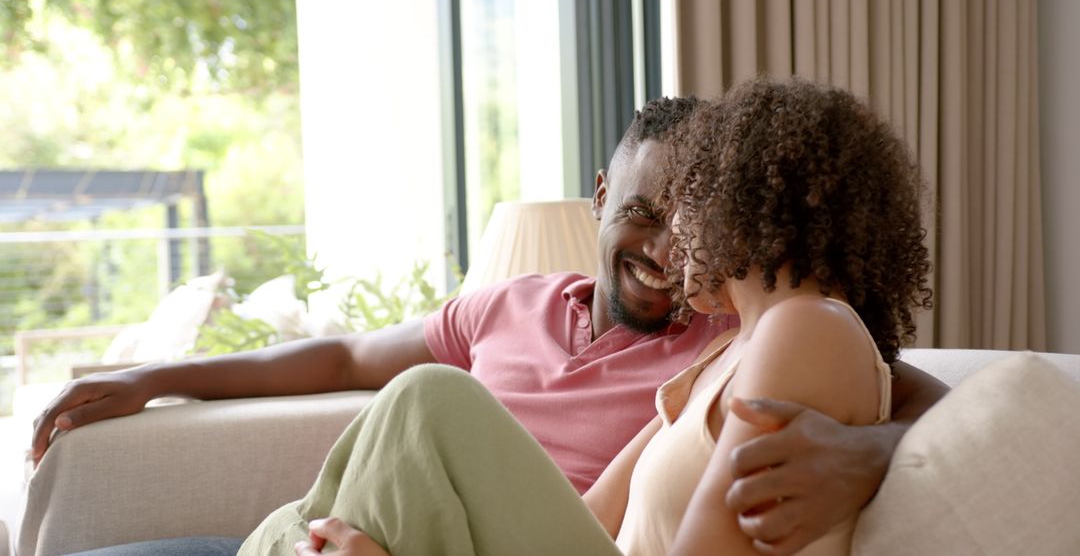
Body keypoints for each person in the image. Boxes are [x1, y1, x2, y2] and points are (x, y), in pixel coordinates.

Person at [45, 93, 946, 556]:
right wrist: (157, 375)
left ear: (749, 203)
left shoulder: (792, 334)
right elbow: (594, 517)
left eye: (697, 203)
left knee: (432, 402)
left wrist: (874, 454)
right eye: (654, 210)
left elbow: (921, 397)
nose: (675, 242)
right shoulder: (728, 356)